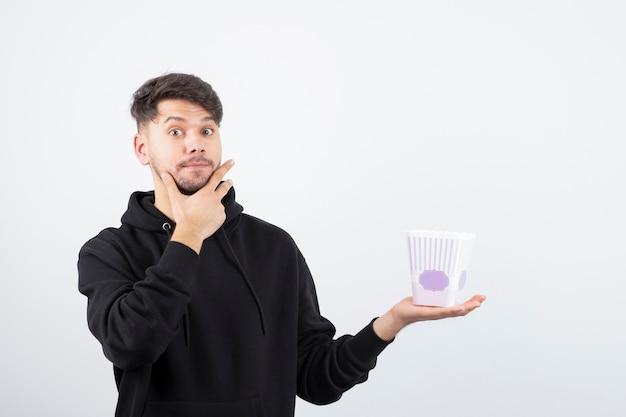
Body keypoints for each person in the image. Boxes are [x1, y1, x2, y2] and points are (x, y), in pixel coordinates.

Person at [78, 73, 486, 417]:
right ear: (142, 148)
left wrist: (392, 322)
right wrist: (190, 234)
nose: (195, 143)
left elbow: (314, 379)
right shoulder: (108, 251)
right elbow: (130, 344)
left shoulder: (273, 247)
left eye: (206, 129)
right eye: (175, 131)